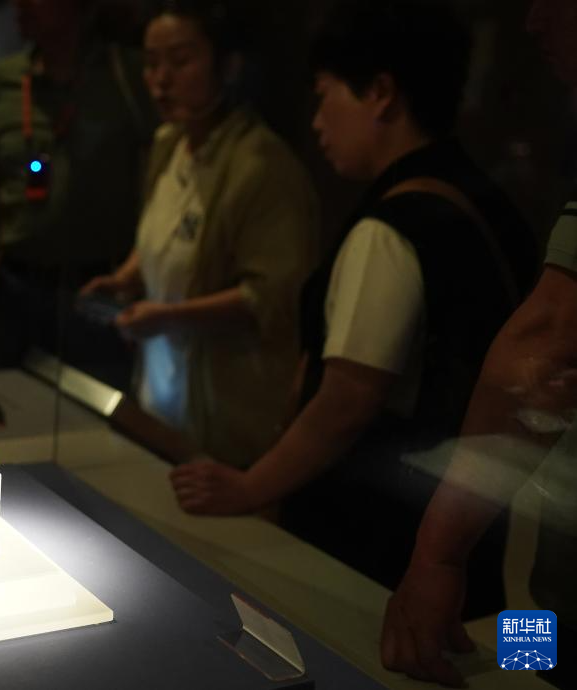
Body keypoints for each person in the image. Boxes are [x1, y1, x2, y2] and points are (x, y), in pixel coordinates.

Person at [169, 0, 539, 618]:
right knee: (506, 652)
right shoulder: (489, 202)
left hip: (379, 543)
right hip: (476, 527)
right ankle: (530, 659)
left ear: (381, 94)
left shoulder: (390, 227)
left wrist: (248, 486)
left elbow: (347, 399)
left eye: (325, 95)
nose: (317, 122)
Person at [381, 1, 577, 687]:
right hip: (543, 574)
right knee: (522, 648)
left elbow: (550, 336)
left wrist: (437, 555)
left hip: (562, 594)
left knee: (527, 670)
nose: (533, 21)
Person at [81, 0, 319, 468]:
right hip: (160, 394)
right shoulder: (169, 144)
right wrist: (128, 276)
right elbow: (166, 232)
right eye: (151, 63)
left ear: (228, 65)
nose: (160, 80)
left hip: (227, 412)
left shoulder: (263, 167)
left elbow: (271, 298)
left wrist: (169, 317)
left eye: (180, 61)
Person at [0, 0, 156, 372]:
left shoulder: (126, 75)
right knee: (8, 399)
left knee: (93, 402)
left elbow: (156, 172)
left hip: (96, 284)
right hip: (15, 285)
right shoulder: (5, 79)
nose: (20, 6)